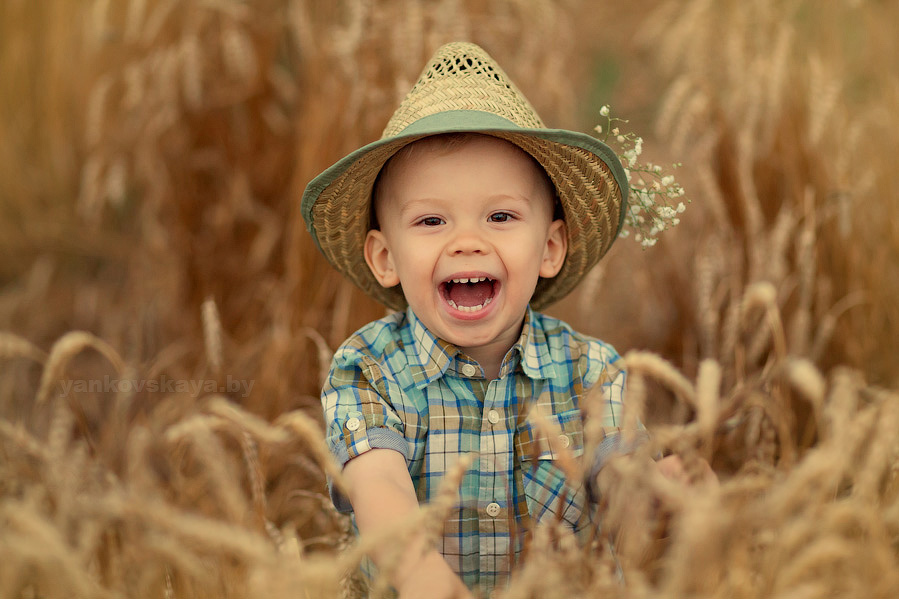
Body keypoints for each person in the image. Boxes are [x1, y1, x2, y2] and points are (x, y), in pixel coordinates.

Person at [301, 41, 680, 598]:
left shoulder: (592, 370)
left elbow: (620, 487)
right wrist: (431, 583)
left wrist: (655, 501)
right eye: (431, 221)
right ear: (385, 258)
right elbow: (378, 488)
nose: (467, 243)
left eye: (500, 216)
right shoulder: (368, 369)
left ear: (550, 247)